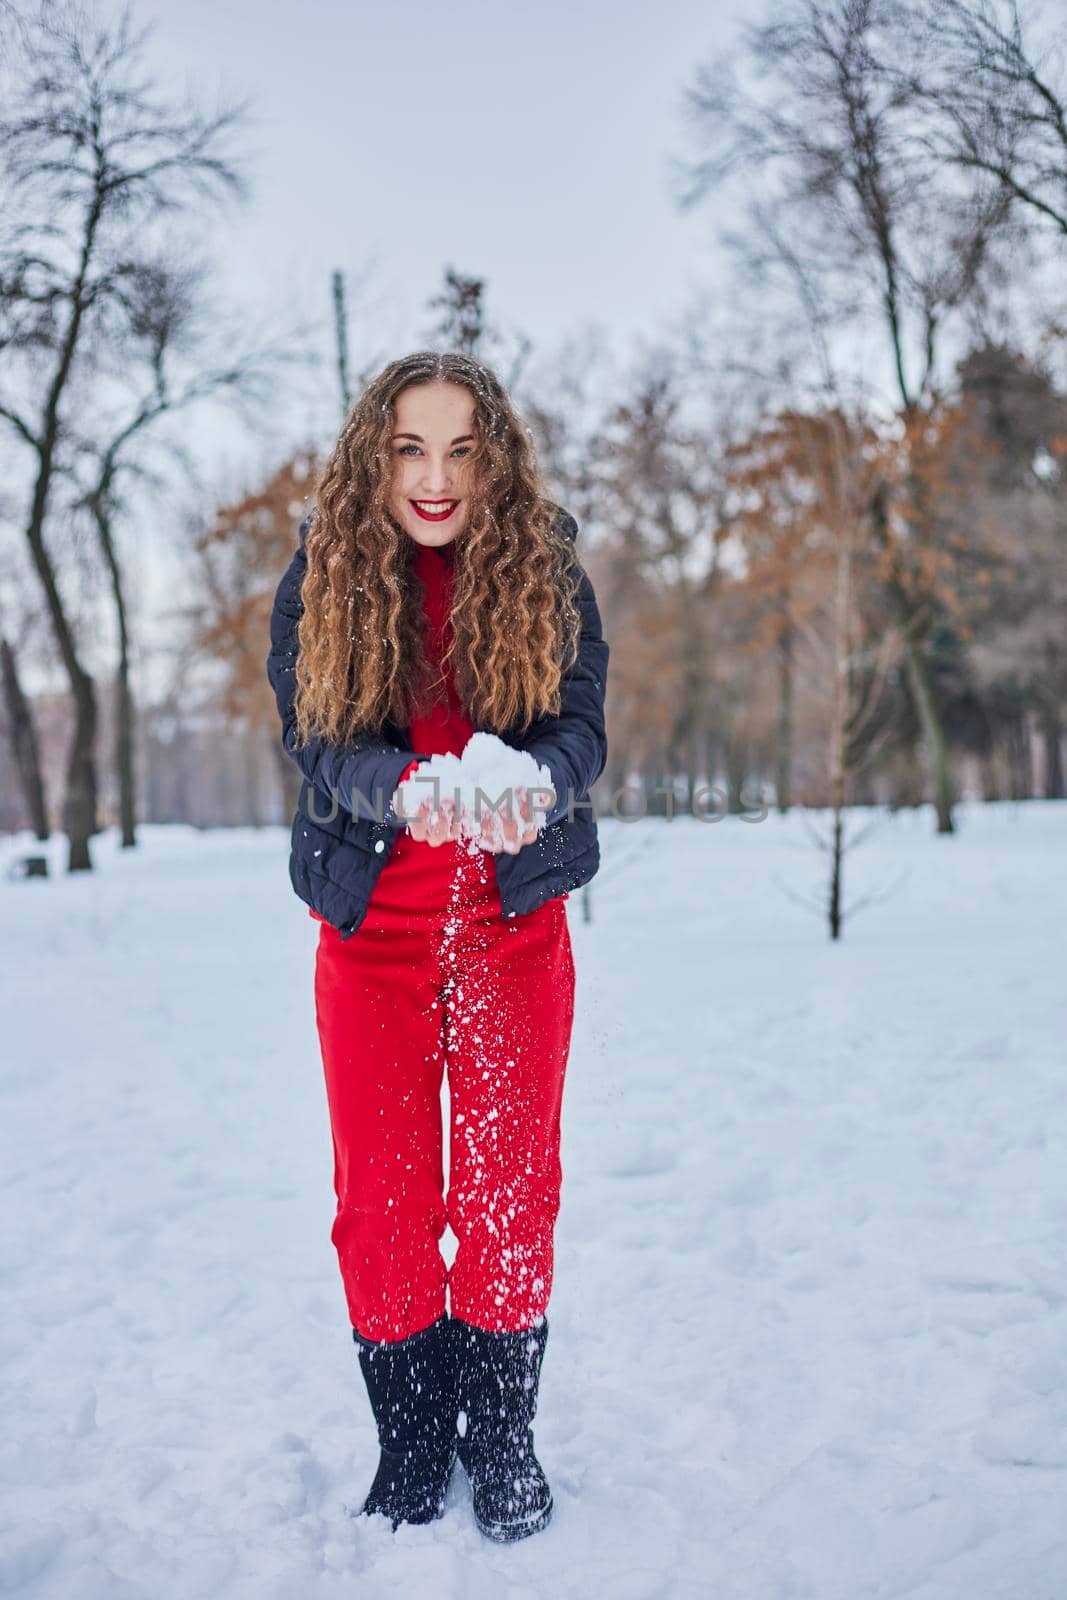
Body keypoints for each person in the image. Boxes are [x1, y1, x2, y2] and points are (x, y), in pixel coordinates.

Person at [265, 350, 609, 1543]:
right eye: (410, 447)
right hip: (372, 939)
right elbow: (313, 735)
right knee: (384, 1202)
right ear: (375, 452)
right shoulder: (320, 575)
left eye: (461, 449)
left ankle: (501, 1435)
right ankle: (411, 1440)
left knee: (512, 1193)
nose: (435, 476)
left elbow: (580, 727)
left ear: (494, 455)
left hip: (514, 930)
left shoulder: (546, 565)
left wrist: (536, 783)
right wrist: (401, 787)